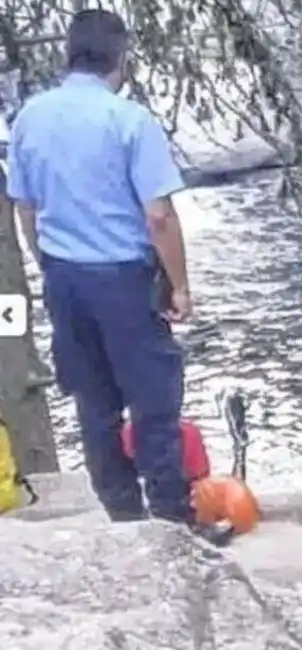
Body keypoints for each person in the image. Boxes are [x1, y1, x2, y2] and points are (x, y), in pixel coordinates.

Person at [6, 9, 194, 524]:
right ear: (120, 58)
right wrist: (179, 288)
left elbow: (25, 206)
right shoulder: (128, 119)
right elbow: (159, 216)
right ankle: (174, 521)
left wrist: (45, 260)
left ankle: (123, 520)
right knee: (153, 402)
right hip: (123, 281)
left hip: (64, 279)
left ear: (70, 55)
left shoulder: (30, 117)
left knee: (94, 405)